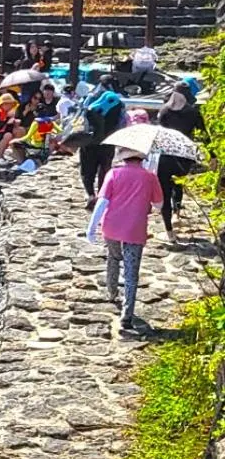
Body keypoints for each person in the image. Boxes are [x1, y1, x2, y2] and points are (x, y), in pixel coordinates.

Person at [93, 148, 163, 329]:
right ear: (142, 158)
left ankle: (111, 290)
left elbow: (102, 201)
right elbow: (159, 205)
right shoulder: (150, 177)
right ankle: (127, 313)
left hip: (112, 226)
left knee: (114, 256)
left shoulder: (113, 173)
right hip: (135, 228)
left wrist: (91, 227)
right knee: (132, 272)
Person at [157, 81, 204, 241]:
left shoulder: (164, 111)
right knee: (178, 185)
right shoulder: (194, 113)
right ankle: (177, 213)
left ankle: (169, 231)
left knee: (165, 190)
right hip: (184, 156)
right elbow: (204, 134)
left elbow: (159, 134)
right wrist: (212, 155)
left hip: (165, 156)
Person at [80, 75, 125, 206]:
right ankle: (102, 196)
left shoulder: (91, 97)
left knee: (87, 170)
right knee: (105, 169)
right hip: (108, 140)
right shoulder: (118, 101)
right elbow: (122, 121)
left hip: (90, 140)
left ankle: (90, 194)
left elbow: (82, 115)